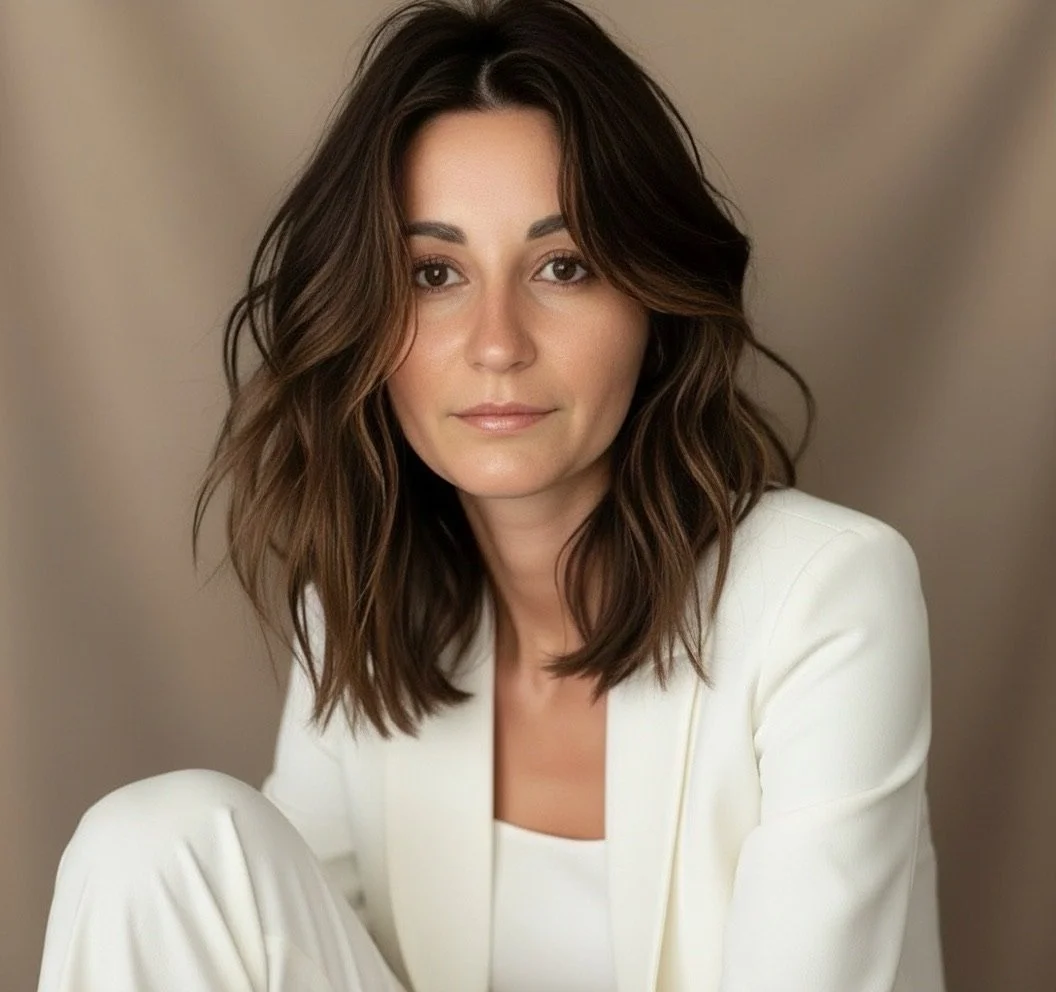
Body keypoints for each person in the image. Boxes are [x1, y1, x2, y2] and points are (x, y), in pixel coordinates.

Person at [36, 0, 947, 989]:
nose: (498, 341)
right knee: (156, 846)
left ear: (652, 297)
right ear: (363, 318)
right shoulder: (358, 621)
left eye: (563, 265)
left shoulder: (826, 594)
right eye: (434, 273)